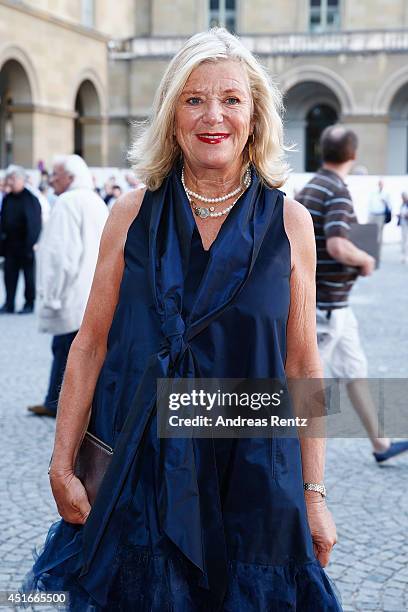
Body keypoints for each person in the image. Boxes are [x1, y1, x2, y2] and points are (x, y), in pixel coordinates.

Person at [23, 29, 343, 610]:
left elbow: (303, 364)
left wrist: (314, 493)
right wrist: (61, 465)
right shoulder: (130, 214)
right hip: (137, 473)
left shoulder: (291, 223)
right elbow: (89, 345)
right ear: (172, 117)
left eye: (230, 99)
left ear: (255, 114)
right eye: (193, 100)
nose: (212, 115)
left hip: (251, 473)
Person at [297, 125, 408, 464]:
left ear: (321, 152)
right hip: (326, 306)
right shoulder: (337, 191)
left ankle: (380, 443)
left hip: (333, 304)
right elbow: (337, 243)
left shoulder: (310, 188)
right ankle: (292, 459)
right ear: (353, 155)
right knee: (308, 386)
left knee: (354, 372)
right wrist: (365, 259)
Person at [27, 155, 108, 418]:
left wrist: (51, 295)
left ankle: (58, 402)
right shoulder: (95, 201)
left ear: (70, 178)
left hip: (71, 292)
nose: (51, 180)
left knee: (66, 349)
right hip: (92, 290)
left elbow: (60, 255)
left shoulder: (68, 203)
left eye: (56, 175)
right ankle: (58, 400)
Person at [0, 165, 42, 314]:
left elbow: (34, 224)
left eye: (12, 179)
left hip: (26, 245)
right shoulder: (7, 199)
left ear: (21, 180)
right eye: (8, 179)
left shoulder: (30, 199)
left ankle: (29, 303)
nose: (9, 182)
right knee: (9, 276)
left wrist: (30, 244)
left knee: (29, 277)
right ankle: (9, 303)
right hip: (10, 245)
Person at [368, 178, 391, 253]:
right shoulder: (373, 192)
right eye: (379, 183)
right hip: (373, 214)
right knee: (371, 232)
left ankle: (378, 250)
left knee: (379, 233)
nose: (380, 185)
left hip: (380, 215)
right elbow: (370, 204)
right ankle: (372, 248)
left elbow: (389, 206)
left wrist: (385, 202)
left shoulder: (386, 194)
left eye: (381, 183)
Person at [398, 191, 408, 263]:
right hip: (403, 224)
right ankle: (404, 256)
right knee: (404, 240)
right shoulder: (402, 204)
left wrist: (405, 215)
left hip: (406, 223)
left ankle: (405, 256)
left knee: (405, 241)